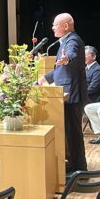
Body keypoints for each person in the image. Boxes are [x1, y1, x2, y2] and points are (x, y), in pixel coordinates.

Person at [39, 12, 87, 173]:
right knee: (68, 133)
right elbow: (60, 69)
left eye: (55, 25)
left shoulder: (72, 40)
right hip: (66, 93)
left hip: (72, 94)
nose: (52, 28)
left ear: (66, 26)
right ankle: (73, 164)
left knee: (74, 134)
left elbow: (71, 55)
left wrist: (68, 59)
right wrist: (43, 79)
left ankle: (80, 170)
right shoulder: (64, 41)